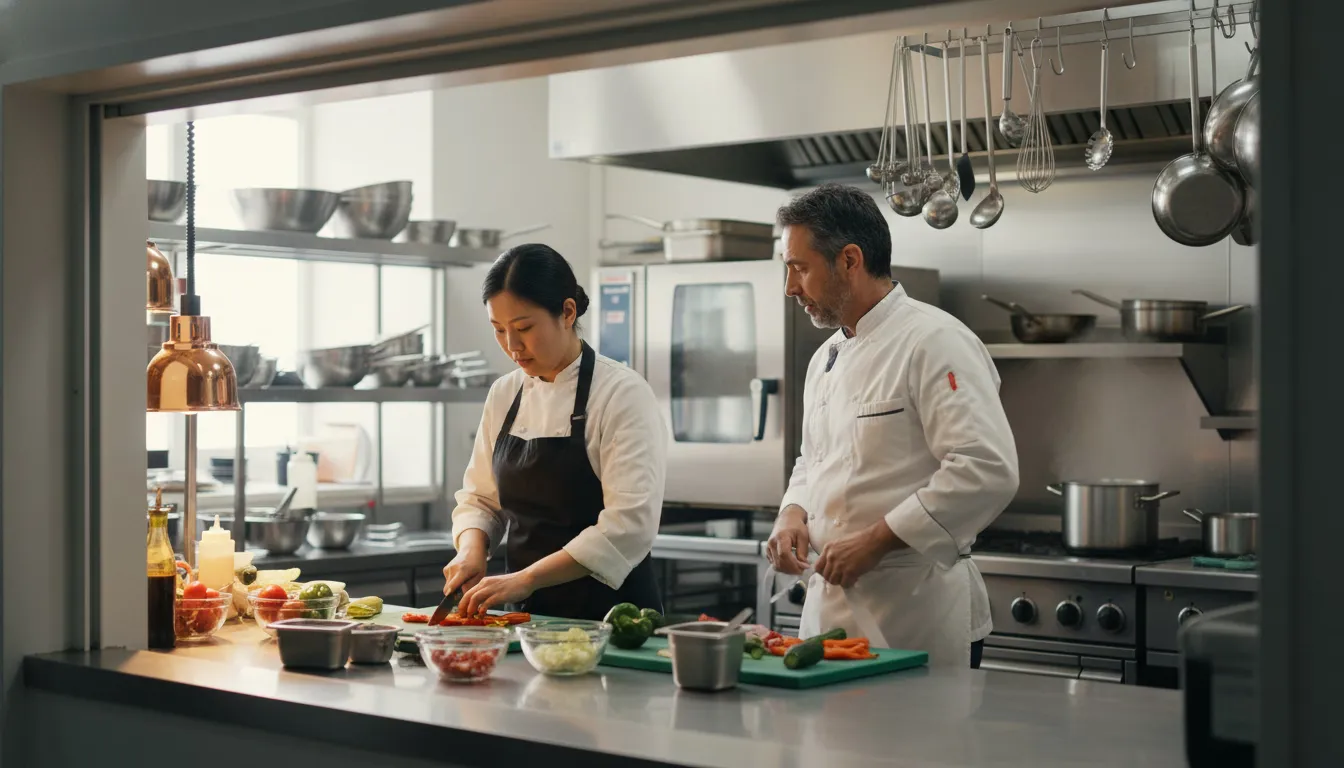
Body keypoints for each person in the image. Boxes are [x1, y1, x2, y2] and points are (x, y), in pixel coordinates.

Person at [766, 184, 1019, 668]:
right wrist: (792, 514)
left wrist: (877, 539)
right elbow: (813, 459)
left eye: (799, 268)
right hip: (829, 615)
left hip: (915, 613)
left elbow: (986, 469)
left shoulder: (934, 341)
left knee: (916, 746)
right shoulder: (826, 357)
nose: (790, 288)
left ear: (849, 260)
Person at [444, 243, 665, 619]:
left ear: (567, 312)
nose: (512, 346)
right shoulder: (505, 393)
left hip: (615, 618)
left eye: (524, 328)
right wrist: (471, 550)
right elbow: (481, 500)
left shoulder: (621, 393)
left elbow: (629, 525)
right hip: (529, 618)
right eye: (498, 330)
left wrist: (526, 578)